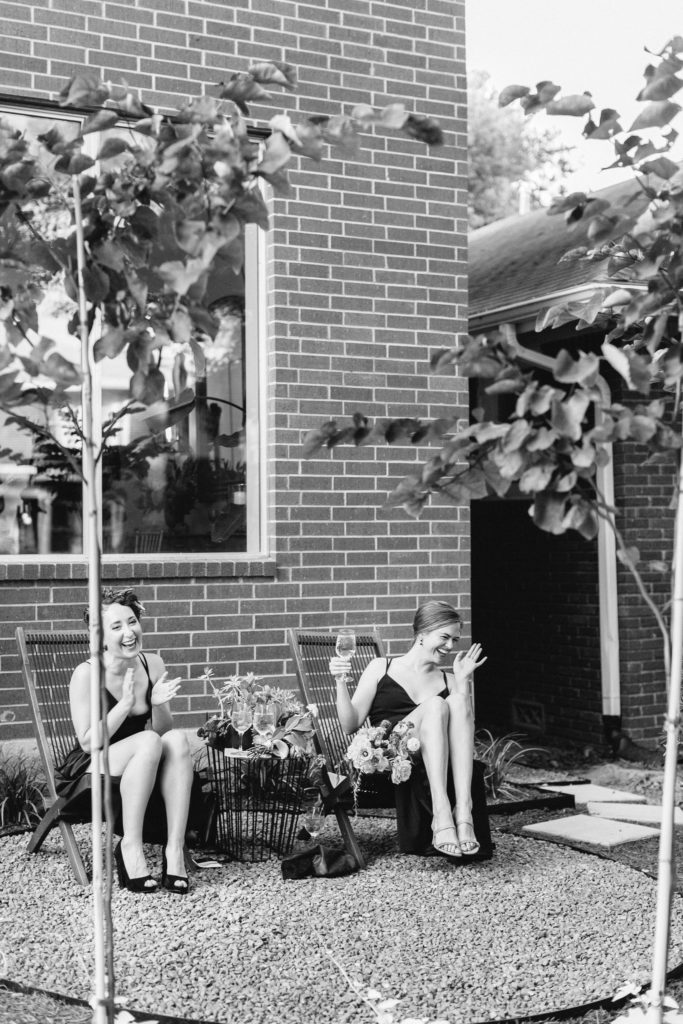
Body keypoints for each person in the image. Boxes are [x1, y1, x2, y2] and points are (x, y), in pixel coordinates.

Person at [56, 588, 194, 894]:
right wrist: (125, 703)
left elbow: (162, 732)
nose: (129, 632)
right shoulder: (86, 674)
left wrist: (156, 703)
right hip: (93, 763)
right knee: (147, 741)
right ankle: (130, 845)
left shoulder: (152, 664)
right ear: (100, 637)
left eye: (132, 622)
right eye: (117, 627)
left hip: (144, 755)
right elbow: (88, 742)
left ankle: (174, 849)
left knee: (177, 740)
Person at [330, 600, 486, 859]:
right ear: (422, 634)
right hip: (393, 753)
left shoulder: (449, 678)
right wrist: (339, 682)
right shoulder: (382, 667)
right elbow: (349, 724)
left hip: (435, 754)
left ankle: (464, 813)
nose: (450, 646)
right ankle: (441, 812)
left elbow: (464, 732)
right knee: (436, 704)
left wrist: (463, 681)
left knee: (456, 700)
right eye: (444, 637)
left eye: (455, 640)